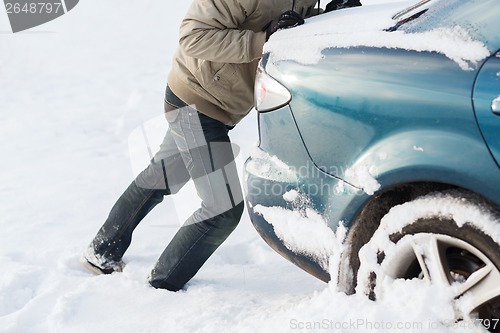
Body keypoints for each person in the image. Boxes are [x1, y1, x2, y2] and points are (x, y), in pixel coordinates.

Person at [80, 0, 320, 292]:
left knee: (163, 175)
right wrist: (262, 40)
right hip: (195, 100)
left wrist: (332, 15)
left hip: (220, 104)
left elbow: (293, 22)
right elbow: (193, 36)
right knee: (222, 209)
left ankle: (102, 250)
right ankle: (162, 286)